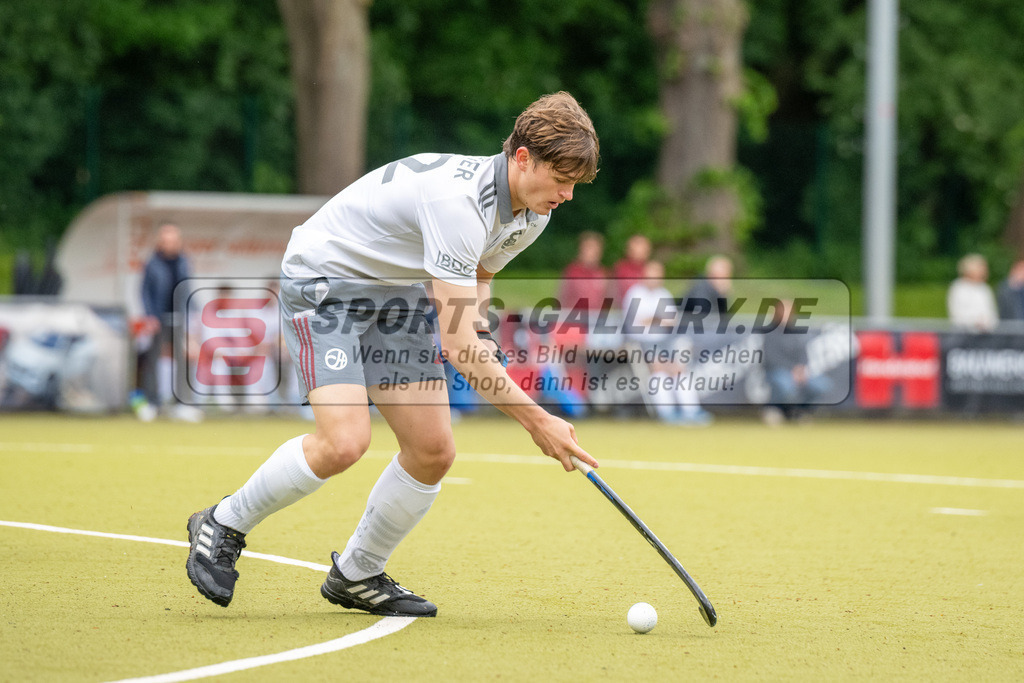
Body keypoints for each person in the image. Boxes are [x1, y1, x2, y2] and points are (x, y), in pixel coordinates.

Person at [185, 92, 602, 616]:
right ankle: (223, 522)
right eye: (561, 179)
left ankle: (357, 573)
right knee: (344, 441)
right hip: (326, 282)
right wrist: (537, 420)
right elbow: (457, 346)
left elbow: (478, 279)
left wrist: (481, 335)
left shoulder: (532, 214)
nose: (566, 195)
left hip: (395, 294)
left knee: (433, 452)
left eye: (574, 184)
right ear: (522, 158)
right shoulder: (460, 205)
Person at [622, 260, 712, 426]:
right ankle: (667, 413)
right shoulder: (635, 293)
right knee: (659, 373)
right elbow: (637, 323)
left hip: (664, 341)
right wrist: (658, 319)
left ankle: (691, 412)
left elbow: (671, 321)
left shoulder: (663, 294)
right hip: (641, 342)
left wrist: (655, 319)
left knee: (679, 371)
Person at [134, 223, 202, 421]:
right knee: (153, 361)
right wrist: (149, 315)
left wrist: (193, 312)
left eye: (174, 241)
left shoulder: (183, 261)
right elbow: (145, 292)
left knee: (183, 361)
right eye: (167, 241)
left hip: (179, 316)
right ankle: (152, 403)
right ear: (160, 242)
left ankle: (182, 403)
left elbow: (187, 287)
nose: (171, 244)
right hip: (158, 317)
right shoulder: (152, 263)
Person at [761, 299, 830, 424]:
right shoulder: (770, 332)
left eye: (788, 311)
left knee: (822, 385)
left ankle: (801, 412)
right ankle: (776, 410)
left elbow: (803, 354)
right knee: (786, 385)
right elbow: (771, 358)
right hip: (777, 371)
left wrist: (801, 369)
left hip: (797, 372)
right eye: (783, 311)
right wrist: (792, 370)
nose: (785, 315)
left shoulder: (796, 332)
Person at [558, 231, 608, 312]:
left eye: (595, 249)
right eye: (589, 248)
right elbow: (562, 298)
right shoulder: (572, 271)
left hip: (597, 320)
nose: (592, 253)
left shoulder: (603, 273)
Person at [947, 253, 998, 331]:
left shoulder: (985, 288)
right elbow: (957, 314)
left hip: (986, 334)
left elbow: (992, 313)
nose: (984, 271)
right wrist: (976, 322)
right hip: (964, 334)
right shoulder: (958, 288)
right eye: (980, 268)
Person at [611, 234, 651, 307]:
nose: (639, 250)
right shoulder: (621, 268)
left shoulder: (651, 269)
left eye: (642, 247)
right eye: (636, 246)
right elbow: (613, 292)